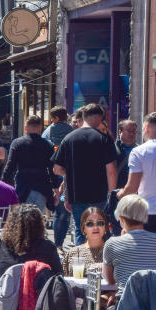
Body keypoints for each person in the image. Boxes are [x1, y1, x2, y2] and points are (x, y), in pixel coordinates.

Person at [53, 103, 118, 245]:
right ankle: (99, 264)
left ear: (84, 117)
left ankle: (80, 264)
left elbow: (57, 169)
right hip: (99, 194)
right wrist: (112, 195)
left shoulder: (69, 139)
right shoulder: (103, 139)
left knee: (81, 230)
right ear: (99, 118)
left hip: (78, 195)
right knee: (100, 231)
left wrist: (72, 172)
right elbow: (111, 171)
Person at [120, 112, 156, 243]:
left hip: (148, 213)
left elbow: (132, 188)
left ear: (147, 127)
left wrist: (119, 194)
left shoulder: (139, 152)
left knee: (148, 254)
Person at [104, 194, 156, 293]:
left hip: (127, 305)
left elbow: (110, 280)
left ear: (122, 219)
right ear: (145, 216)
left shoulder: (112, 244)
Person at [0, 204, 63, 280]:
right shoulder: (48, 247)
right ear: (39, 225)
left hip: (7, 289)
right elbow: (59, 275)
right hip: (39, 290)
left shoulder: (4, 244)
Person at [2, 115, 55, 209]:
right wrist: (56, 188)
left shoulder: (17, 143)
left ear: (26, 128)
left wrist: (3, 183)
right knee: (38, 218)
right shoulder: (48, 145)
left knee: (22, 217)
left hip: (22, 184)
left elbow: (10, 166)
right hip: (41, 185)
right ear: (40, 128)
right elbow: (52, 169)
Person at [62, 207, 108, 277]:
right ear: (83, 228)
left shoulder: (114, 253)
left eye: (100, 223)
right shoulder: (73, 254)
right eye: (90, 224)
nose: (95, 227)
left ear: (105, 227)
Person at [114, 119, 138, 189]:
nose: (131, 133)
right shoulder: (112, 149)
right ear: (120, 132)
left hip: (135, 191)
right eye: (128, 131)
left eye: (134, 131)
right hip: (117, 190)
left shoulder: (141, 150)